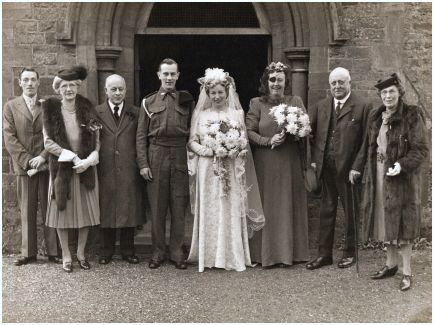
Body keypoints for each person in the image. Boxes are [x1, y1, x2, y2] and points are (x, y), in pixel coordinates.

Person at [186, 68, 265, 272]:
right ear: (207, 93)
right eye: (213, 93)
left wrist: (235, 148)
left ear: (228, 92)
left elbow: (244, 141)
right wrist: (206, 150)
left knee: (230, 208)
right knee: (211, 209)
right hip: (208, 168)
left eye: (221, 92)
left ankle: (231, 255)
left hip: (230, 166)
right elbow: (192, 142)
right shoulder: (200, 114)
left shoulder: (237, 113)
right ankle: (210, 256)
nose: (217, 96)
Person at [361, 74, 428, 291]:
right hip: (380, 174)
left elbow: (421, 150)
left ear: (399, 93)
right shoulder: (377, 116)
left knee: (404, 224)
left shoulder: (411, 115)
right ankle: (390, 264)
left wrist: (402, 165)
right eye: (384, 93)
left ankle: (406, 271)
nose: (388, 96)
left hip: (402, 179)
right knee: (384, 219)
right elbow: (371, 147)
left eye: (392, 92)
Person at [306, 67, 371, 270]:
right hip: (326, 168)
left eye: (341, 82)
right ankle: (324, 255)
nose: (337, 86)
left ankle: (350, 253)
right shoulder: (321, 106)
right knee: (326, 210)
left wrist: (357, 167)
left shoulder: (363, 106)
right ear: (329, 85)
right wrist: (315, 160)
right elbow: (311, 135)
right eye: (333, 83)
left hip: (349, 170)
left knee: (351, 212)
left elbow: (366, 141)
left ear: (349, 83)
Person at [246, 62, 309, 267]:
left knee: (287, 205)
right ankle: (263, 255)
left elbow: (306, 129)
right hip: (265, 163)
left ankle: (288, 254)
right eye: (272, 79)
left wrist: (296, 132)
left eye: (280, 79)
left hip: (289, 161)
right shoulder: (256, 103)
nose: (276, 83)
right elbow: (249, 132)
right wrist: (268, 141)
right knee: (267, 205)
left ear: (286, 82)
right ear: (266, 82)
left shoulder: (295, 101)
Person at [136, 58, 194, 269]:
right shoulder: (148, 102)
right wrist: (143, 164)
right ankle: (158, 251)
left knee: (179, 207)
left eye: (173, 74)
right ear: (159, 75)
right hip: (157, 154)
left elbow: (193, 132)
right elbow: (141, 135)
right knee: (158, 207)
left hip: (179, 153)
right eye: (165, 74)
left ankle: (177, 252)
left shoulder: (187, 100)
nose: (169, 78)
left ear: (178, 75)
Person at [42, 66, 101, 273]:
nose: (69, 89)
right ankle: (66, 255)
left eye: (72, 85)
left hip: (83, 169)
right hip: (62, 169)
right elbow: (48, 143)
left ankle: (81, 254)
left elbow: (96, 139)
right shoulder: (50, 110)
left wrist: (91, 158)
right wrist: (72, 156)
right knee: (62, 213)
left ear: (78, 87)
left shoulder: (87, 108)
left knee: (85, 213)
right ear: (58, 89)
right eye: (64, 86)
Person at [3, 68, 60, 266]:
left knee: (48, 208)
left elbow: (54, 134)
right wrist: (28, 161)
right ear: (20, 83)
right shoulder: (10, 107)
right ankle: (28, 253)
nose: (29, 83)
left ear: (38, 83)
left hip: (45, 165)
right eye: (26, 80)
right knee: (27, 209)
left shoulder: (46, 106)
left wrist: (43, 157)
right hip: (24, 168)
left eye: (33, 80)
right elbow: (9, 139)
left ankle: (53, 251)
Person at [93, 74, 146, 265]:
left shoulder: (136, 112)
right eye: (113, 89)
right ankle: (106, 251)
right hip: (105, 168)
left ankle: (127, 250)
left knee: (128, 207)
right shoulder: (96, 112)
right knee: (106, 207)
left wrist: (141, 164)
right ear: (106, 91)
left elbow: (140, 140)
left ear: (126, 90)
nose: (117, 93)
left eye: (120, 89)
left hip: (128, 167)